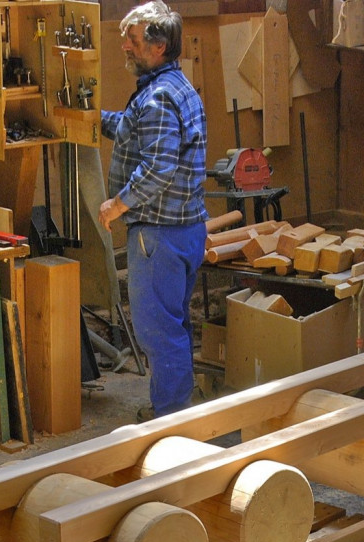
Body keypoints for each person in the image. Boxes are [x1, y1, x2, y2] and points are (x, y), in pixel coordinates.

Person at [98, 1, 208, 419]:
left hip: (158, 235)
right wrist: (90, 120)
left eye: (133, 39)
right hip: (183, 230)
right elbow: (134, 127)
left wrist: (116, 204)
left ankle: (172, 421)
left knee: (158, 332)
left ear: (158, 46)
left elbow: (157, 168)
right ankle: (181, 409)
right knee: (173, 327)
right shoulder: (174, 87)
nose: (124, 46)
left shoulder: (159, 97)